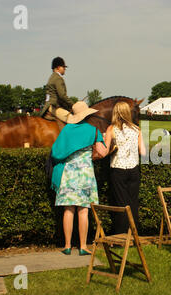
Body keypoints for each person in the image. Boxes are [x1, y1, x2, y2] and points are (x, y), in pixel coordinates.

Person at [51, 101, 106, 255]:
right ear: (87, 114)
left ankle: (67, 246)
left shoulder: (66, 130)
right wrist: (93, 155)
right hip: (85, 175)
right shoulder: (93, 130)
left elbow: (56, 152)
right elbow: (102, 152)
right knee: (83, 211)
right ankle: (83, 246)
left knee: (68, 210)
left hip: (68, 174)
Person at [103, 101, 146, 234]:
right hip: (133, 170)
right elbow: (143, 152)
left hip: (118, 169)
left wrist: (104, 140)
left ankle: (121, 235)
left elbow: (104, 152)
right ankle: (134, 233)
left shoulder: (111, 129)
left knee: (120, 203)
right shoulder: (137, 129)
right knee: (133, 202)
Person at [41, 57, 75, 123]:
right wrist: (73, 105)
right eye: (63, 67)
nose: (65, 69)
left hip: (49, 106)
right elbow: (62, 96)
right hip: (54, 107)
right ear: (58, 67)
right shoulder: (58, 78)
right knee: (72, 119)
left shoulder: (52, 77)